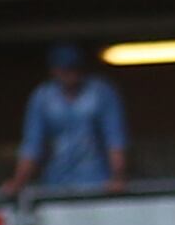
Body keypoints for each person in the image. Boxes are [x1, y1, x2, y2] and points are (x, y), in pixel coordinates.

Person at [7, 44, 128, 197]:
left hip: (97, 182)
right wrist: (18, 182)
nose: (71, 74)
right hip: (56, 184)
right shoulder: (43, 97)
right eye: (65, 69)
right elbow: (32, 146)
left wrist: (118, 176)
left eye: (75, 68)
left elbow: (115, 139)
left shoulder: (100, 92)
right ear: (54, 71)